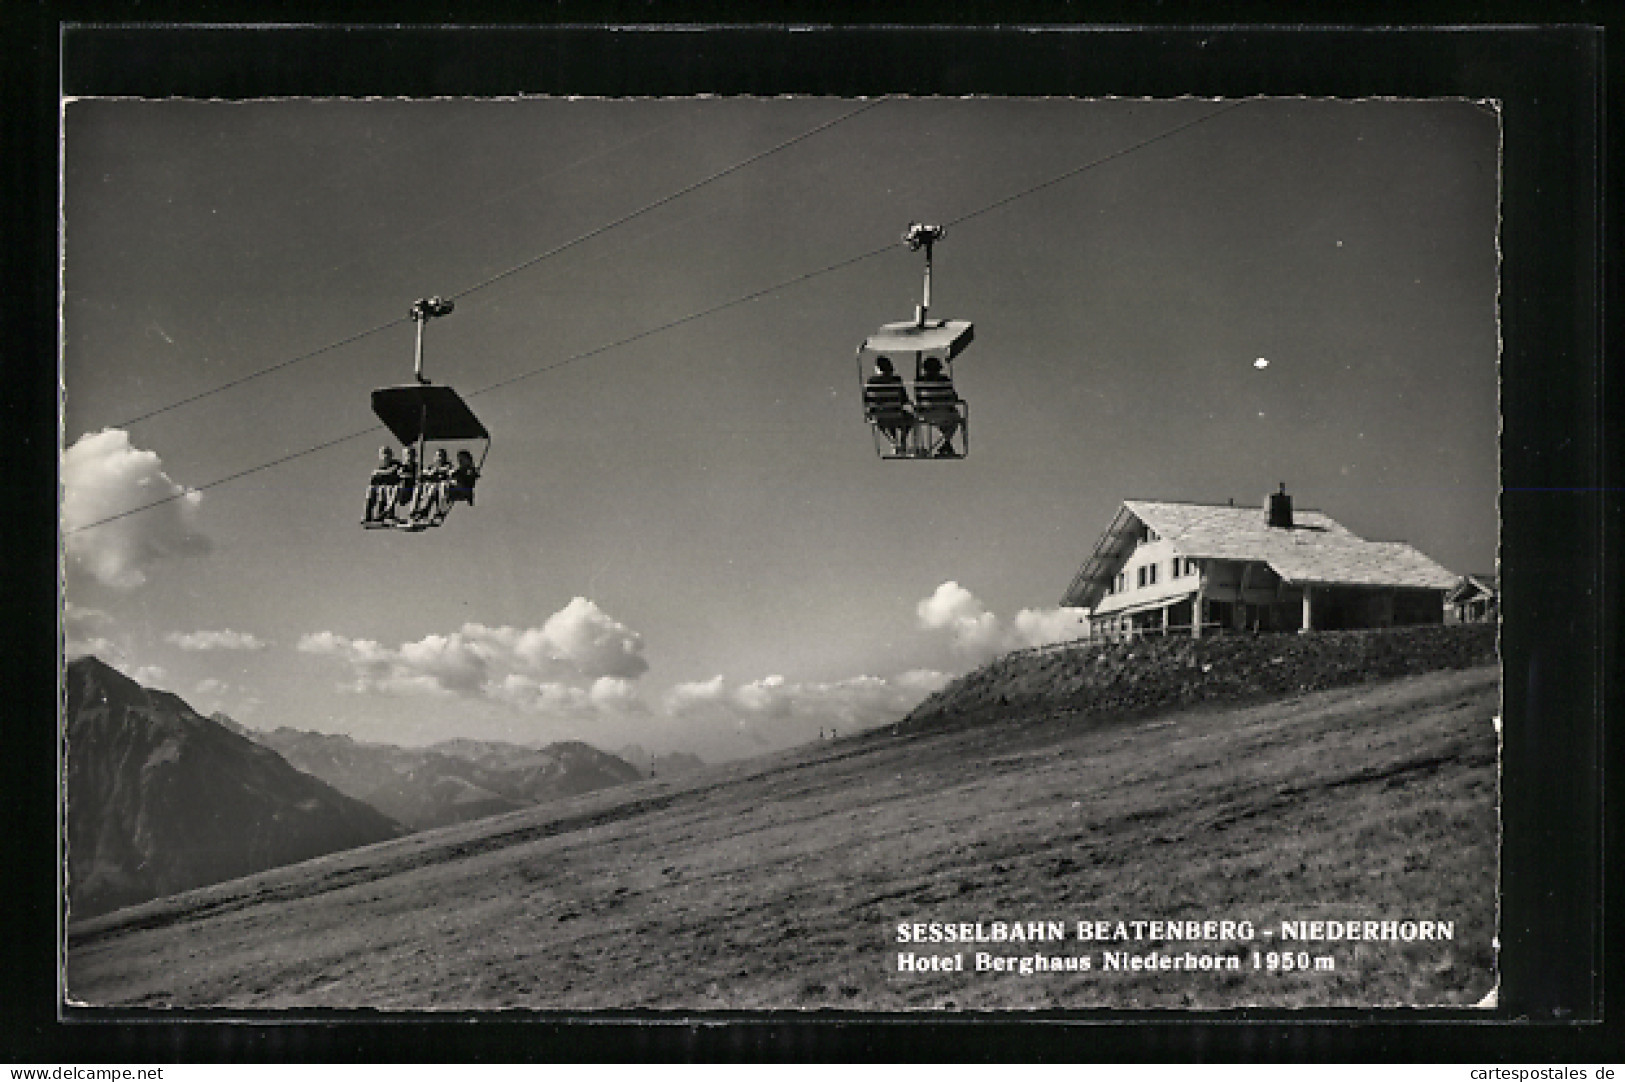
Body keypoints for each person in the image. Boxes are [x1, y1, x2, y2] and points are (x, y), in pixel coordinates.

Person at [863, 356, 913, 455]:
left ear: (877, 368)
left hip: (880, 416)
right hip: (896, 414)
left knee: (884, 419)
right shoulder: (896, 380)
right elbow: (904, 399)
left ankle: (894, 442)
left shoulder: (871, 382)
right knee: (909, 419)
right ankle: (902, 441)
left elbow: (867, 401)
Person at [914, 355, 962, 457]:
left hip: (927, 414)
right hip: (944, 413)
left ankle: (946, 444)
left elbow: (918, 400)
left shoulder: (920, 381)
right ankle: (947, 443)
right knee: (955, 419)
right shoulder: (944, 380)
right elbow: (954, 398)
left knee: (947, 420)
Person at [410, 448, 454, 523]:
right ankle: (416, 511)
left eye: (440, 456)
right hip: (429, 487)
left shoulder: (447, 467)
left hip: (441, 488)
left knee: (433, 489)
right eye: (437, 456)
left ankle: (436, 512)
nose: (438, 459)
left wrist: (437, 472)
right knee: (421, 488)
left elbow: (449, 473)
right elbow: (425, 473)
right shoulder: (431, 467)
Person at [362, 446, 403, 524]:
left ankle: (386, 514)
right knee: (371, 491)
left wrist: (382, 473)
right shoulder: (380, 468)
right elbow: (373, 480)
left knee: (385, 490)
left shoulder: (396, 464)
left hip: (395, 489)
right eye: (383, 455)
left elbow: (396, 472)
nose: (385, 457)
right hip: (383, 490)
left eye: (387, 455)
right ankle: (368, 516)